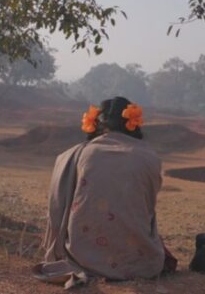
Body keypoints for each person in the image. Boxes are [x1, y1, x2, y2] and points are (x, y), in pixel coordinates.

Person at [34, 96, 177, 288]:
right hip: (141, 261)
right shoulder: (149, 156)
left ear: (96, 124)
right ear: (132, 123)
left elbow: (57, 206)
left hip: (82, 256)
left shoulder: (75, 155)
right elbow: (147, 210)